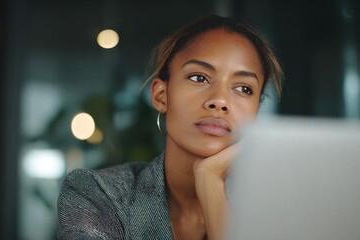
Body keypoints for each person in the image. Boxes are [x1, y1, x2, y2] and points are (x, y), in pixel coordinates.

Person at [57, 14, 283, 240]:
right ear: (161, 95)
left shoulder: (276, 211)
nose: (220, 100)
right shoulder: (98, 194)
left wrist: (211, 181)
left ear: (256, 112)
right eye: (199, 77)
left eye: (244, 88)